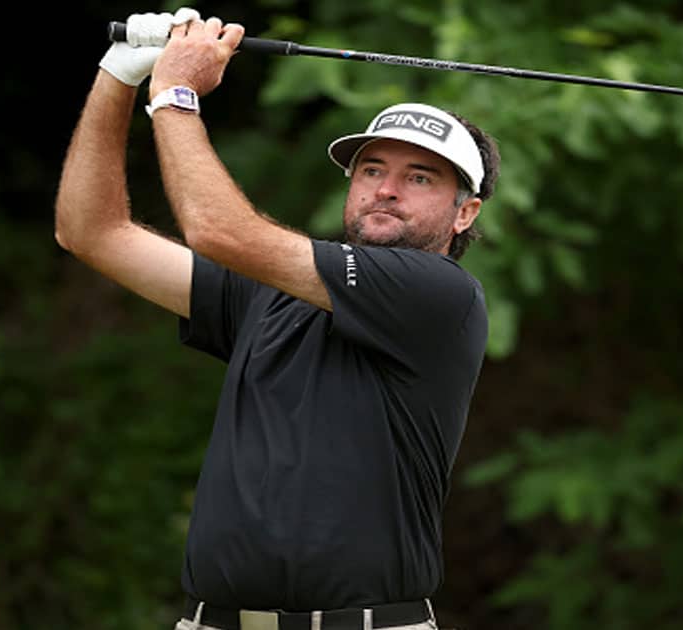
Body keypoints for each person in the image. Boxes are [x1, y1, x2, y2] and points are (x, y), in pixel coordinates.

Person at [55, 8, 500, 630]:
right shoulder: (269, 295)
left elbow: (217, 231)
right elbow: (91, 232)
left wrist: (175, 95)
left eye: (418, 176)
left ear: (464, 213)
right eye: (372, 169)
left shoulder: (439, 296)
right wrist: (118, 77)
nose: (385, 188)